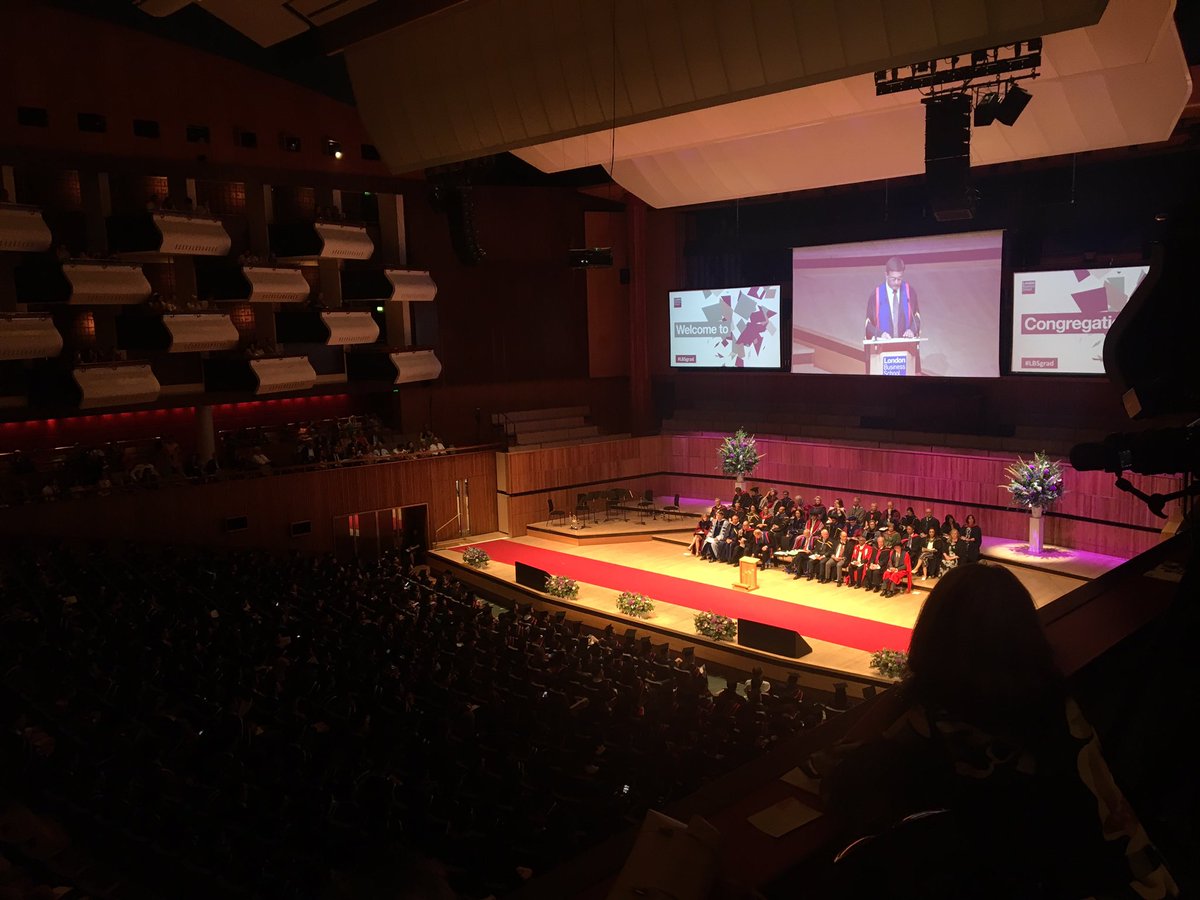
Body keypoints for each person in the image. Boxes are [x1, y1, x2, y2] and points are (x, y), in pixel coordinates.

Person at [809, 565, 1178, 900]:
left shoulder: (931, 726)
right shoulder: (1062, 708)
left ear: (932, 637)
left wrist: (910, 689)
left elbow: (833, 768)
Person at [865, 256, 921, 341]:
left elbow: (916, 317)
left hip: (905, 346)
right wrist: (880, 334)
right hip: (882, 348)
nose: (897, 282)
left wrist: (912, 330)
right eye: (893, 279)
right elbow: (868, 325)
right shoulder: (876, 295)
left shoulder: (910, 292)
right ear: (886, 275)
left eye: (899, 278)